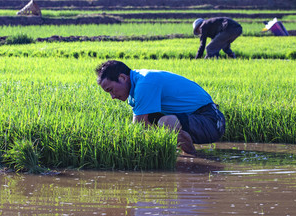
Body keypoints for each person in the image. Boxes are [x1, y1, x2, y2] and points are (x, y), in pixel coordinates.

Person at [95, 60, 226, 155]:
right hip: (197, 119)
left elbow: (138, 126)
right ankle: (179, 151)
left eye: (111, 90)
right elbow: (144, 125)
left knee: (166, 122)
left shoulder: (145, 82)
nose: (112, 96)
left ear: (122, 78)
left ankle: (193, 157)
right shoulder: (136, 88)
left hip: (211, 121)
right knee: (152, 119)